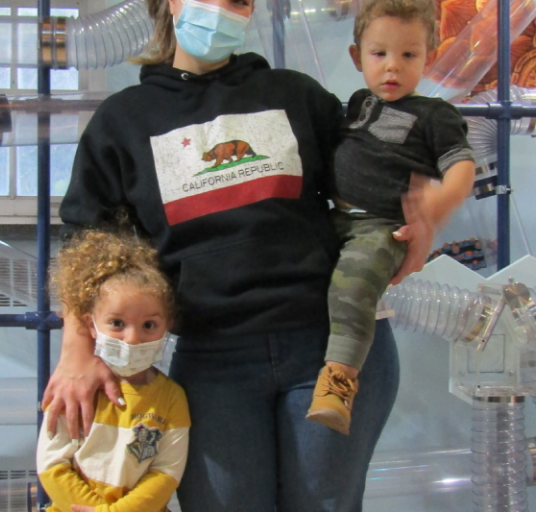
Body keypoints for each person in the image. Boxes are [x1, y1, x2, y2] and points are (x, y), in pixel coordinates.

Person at [43, 0, 435, 509]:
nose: (225, 9)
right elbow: (85, 244)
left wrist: (420, 217)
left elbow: (374, 171)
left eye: (240, 1)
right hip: (213, 361)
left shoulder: (295, 95)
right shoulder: (123, 122)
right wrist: (76, 352)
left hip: (331, 346)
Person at [306, 0, 476, 435]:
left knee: (355, 281)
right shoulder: (359, 103)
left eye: (409, 55)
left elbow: (461, 166)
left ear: (430, 58)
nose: (392, 68)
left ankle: (339, 380)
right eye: (379, 54)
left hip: (382, 226)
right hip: (335, 217)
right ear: (356, 57)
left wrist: (443, 200)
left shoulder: (435, 115)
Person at [36, 229, 190, 512]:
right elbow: (51, 464)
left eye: (148, 325)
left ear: (167, 325)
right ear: (91, 324)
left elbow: (167, 473)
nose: (132, 338)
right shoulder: (75, 390)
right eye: (117, 323)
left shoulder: (172, 398)